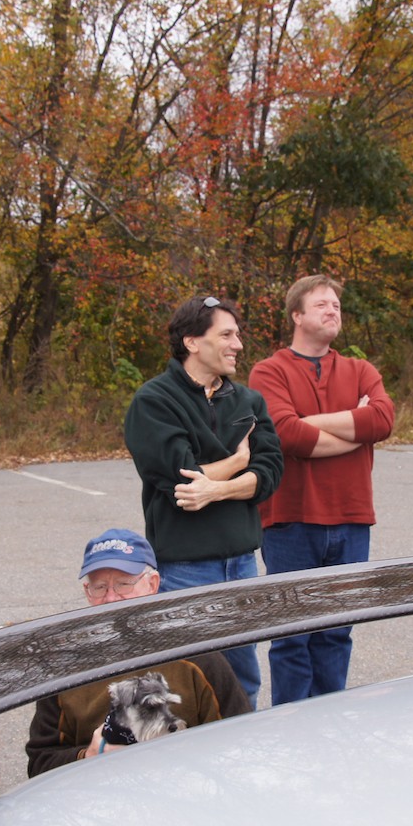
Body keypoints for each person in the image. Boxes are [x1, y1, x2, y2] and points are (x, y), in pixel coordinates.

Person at [123, 294, 284, 707]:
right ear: (192, 341)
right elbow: (181, 477)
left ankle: (242, 744)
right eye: (226, 335)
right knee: (183, 686)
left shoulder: (249, 402)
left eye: (237, 335)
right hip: (184, 569)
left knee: (243, 683)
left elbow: (270, 472)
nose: (238, 344)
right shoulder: (153, 401)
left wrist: (217, 488)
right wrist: (239, 461)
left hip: (243, 565)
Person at [250, 275, 396, 704]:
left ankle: (329, 724)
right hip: (290, 522)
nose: (333, 310)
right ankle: (291, 726)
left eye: (336, 305)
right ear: (297, 315)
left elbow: (382, 420)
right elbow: (284, 434)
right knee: (292, 637)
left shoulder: (360, 370)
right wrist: (355, 426)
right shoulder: (269, 371)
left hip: (352, 519)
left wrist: (308, 423)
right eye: (321, 305)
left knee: (336, 633)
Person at [25, 529, 250, 776]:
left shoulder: (198, 659)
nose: (111, 598)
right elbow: (39, 763)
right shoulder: (65, 669)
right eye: (100, 587)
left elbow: (241, 742)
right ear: (87, 592)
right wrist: (88, 756)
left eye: (124, 584)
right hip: (95, 790)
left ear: (153, 584)